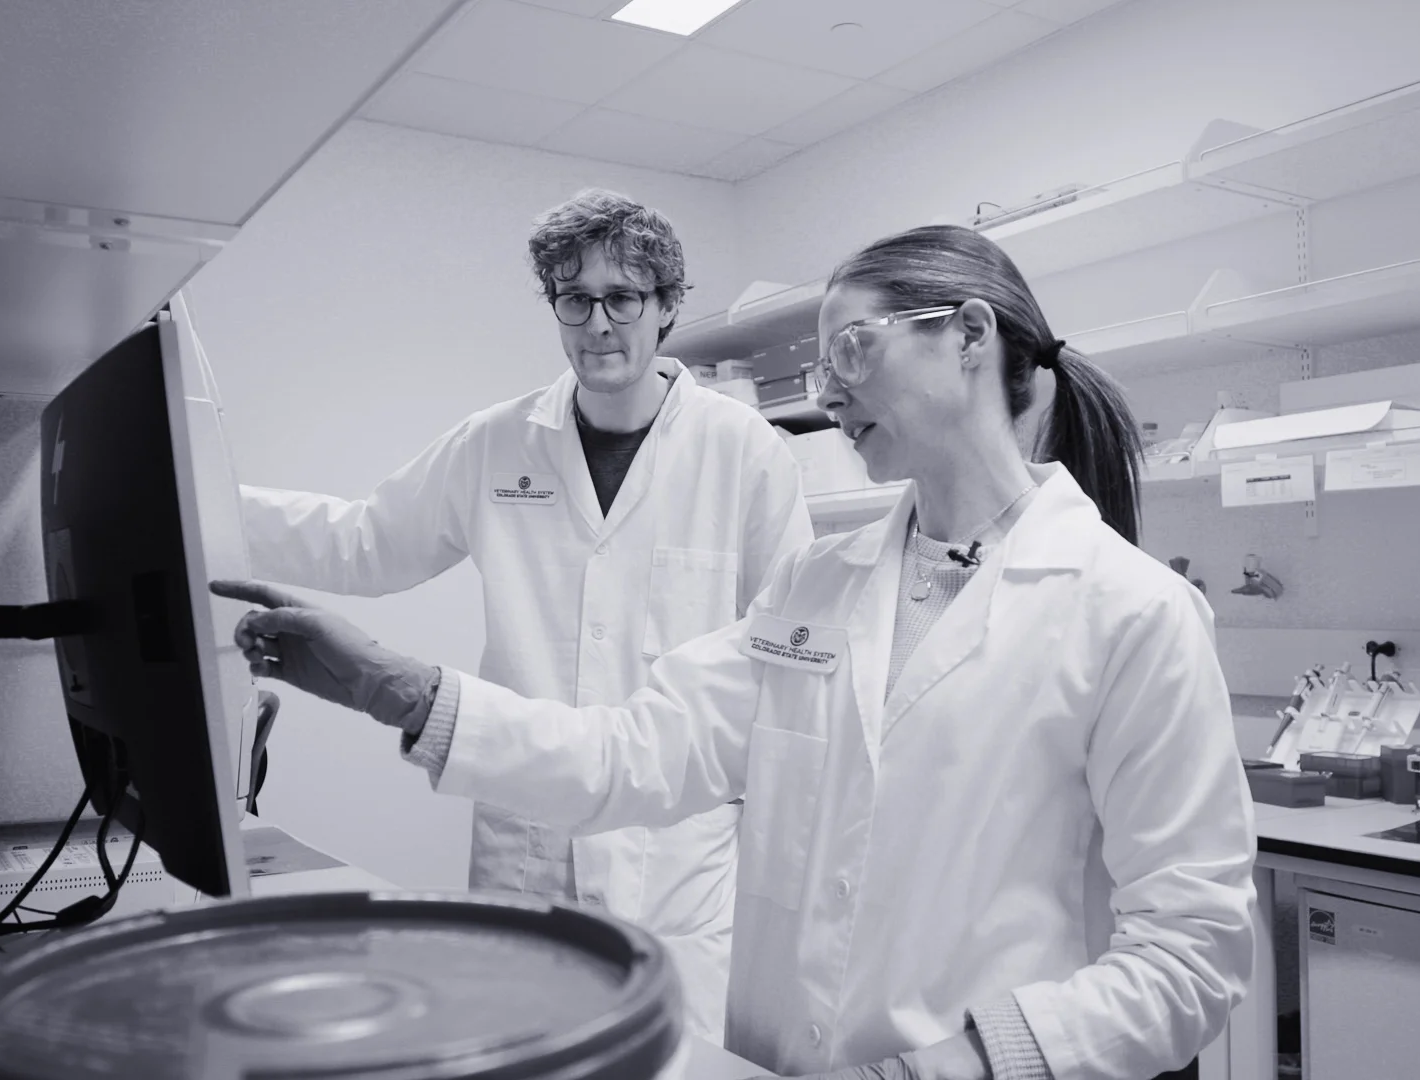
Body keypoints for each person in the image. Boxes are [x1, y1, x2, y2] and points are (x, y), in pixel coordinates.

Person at [215, 224, 1257, 1080]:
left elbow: (1191, 957)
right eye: (821, 363)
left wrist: (953, 1066)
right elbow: (631, 753)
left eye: (853, 350)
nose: (828, 392)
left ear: (969, 335)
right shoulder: (818, 590)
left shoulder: (1133, 612)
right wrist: (389, 687)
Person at [230, 188, 814, 1045]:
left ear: (667, 306)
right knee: (524, 1046)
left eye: (623, 298)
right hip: (526, 838)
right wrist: (202, 498)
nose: (598, 324)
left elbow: (788, 657)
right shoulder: (495, 442)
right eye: (575, 299)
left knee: (667, 1060)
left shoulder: (743, 449)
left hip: (672, 856)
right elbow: (363, 542)